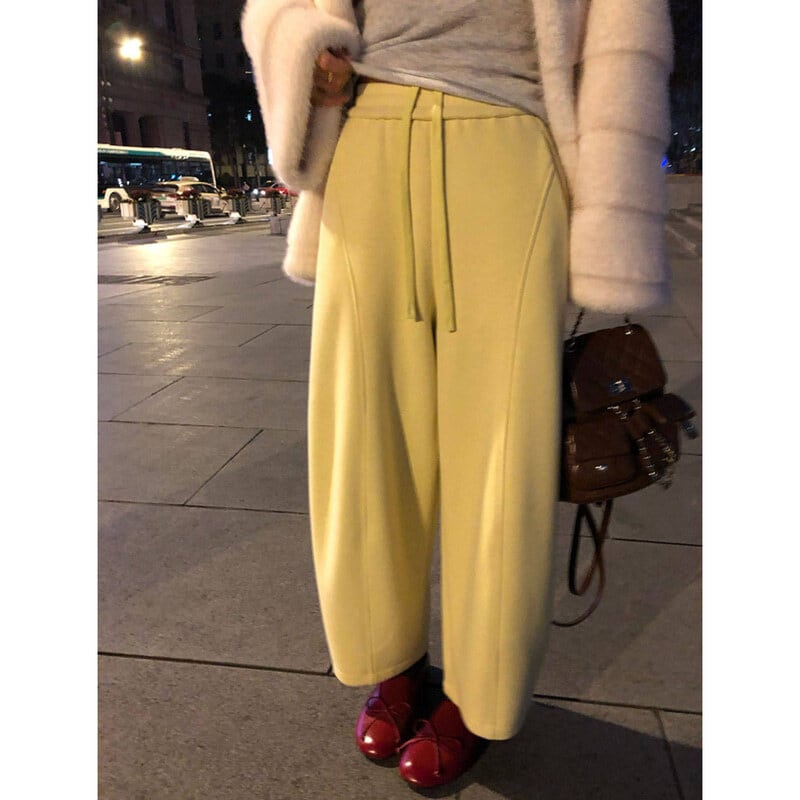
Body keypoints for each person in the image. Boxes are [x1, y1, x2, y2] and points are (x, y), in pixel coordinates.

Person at [242, 0, 673, 789]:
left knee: (503, 451)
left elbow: (622, 40)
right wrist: (306, 60)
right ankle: (389, 659)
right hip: (367, 138)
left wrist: (612, 225)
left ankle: (481, 694)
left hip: (510, 140)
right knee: (362, 435)